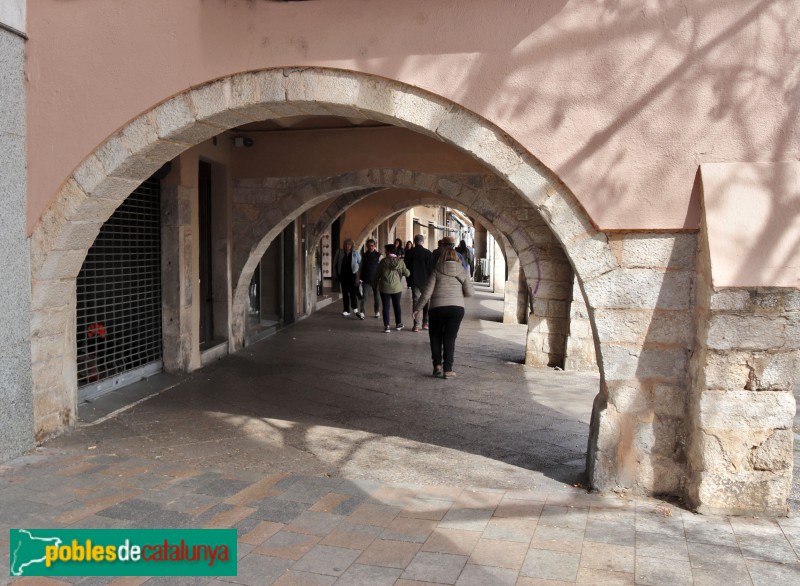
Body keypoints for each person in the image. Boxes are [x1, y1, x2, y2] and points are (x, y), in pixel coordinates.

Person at [413, 246, 473, 379]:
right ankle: (448, 370)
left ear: (442, 257)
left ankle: (437, 366)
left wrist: (417, 308)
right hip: (456, 309)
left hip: (437, 308)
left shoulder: (436, 270)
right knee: (450, 338)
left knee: (435, 336)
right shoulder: (462, 271)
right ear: (457, 258)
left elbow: (426, 293)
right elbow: (470, 293)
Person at [373, 243, 410, 333]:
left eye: (386, 250)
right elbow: (408, 273)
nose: (385, 252)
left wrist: (374, 285)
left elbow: (377, 275)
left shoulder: (383, 262)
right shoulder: (400, 262)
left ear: (389, 251)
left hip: (384, 288)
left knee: (386, 307)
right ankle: (398, 324)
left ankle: (387, 326)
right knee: (397, 305)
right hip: (396, 288)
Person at [404, 234, 433, 332]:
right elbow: (431, 269)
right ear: (423, 241)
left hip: (414, 281)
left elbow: (406, 269)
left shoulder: (409, 253)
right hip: (426, 281)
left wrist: (409, 281)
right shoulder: (428, 253)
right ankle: (426, 323)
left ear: (414, 241)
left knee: (416, 302)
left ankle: (417, 325)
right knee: (426, 301)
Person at [333, 238, 361, 317]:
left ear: (352, 245)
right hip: (343, 275)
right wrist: (335, 274)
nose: (347, 246)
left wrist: (358, 276)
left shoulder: (355, 253)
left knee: (352, 292)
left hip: (352, 275)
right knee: (345, 293)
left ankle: (355, 308)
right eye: (345, 244)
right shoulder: (340, 252)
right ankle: (346, 309)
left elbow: (360, 263)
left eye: (349, 244)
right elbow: (335, 263)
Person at [357, 239, 382, 319]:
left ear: (375, 246)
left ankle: (377, 311)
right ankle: (362, 312)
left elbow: (382, 267)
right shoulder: (364, 255)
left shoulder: (379, 255)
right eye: (369, 246)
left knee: (377, 297)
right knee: (365, 297)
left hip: (376, 280)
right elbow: (360, 267)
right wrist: (358, 278)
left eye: (372, 245)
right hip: (366, 279)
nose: (370, 247)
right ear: (367, 246)